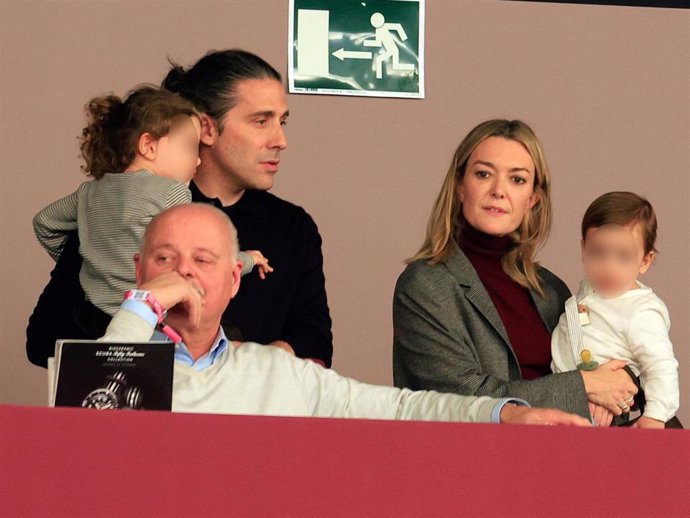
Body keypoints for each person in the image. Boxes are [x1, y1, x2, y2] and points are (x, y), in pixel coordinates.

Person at [82, 202, 589, 426]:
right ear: (139, 270)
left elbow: (403, 409)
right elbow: (83, 434)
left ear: (234, 280)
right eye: (165, 260)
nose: (183, 275)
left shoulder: (277, 372)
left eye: (203, 261)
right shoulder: (110, 364)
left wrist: (506, 414)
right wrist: (141, 306)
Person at [27, 49, 332, 367]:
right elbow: (44, 341)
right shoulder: (124, 208)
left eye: (281, 121)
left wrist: (247, 367)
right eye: (261, 121)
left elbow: (315, 344)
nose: (281, 140)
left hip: (244, 414)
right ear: (207, 128)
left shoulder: (293, 227)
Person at [393, 119, 638, 420]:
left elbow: (602, 366)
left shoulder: (550, 289)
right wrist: (584, 385)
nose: (498, 190)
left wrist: (616, 388)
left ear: (533, 199)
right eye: (483, 174)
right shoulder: (425, 284)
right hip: (475, 459)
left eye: (517, 179)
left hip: (572, 451)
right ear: (459, 187)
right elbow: (461, 396)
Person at [31, 85, 271, 338]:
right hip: (148, 317)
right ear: (148, 146)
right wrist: (247, 260)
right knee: (226, 340)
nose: (197, 161)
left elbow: (44, 222)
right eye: (190, 147)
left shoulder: (90, 192)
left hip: (91, 317)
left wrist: (93, 261)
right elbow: (200, 256)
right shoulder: (171, 192)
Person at [551, 192, 680, 428]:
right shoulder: (590, 288)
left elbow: (660, 366)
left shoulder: (641, 312)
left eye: (623, 257)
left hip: (605, 414)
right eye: (598, 253)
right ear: (583, 248)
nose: (608, 267)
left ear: (645, 261)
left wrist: (655, 416)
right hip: (565, 398)